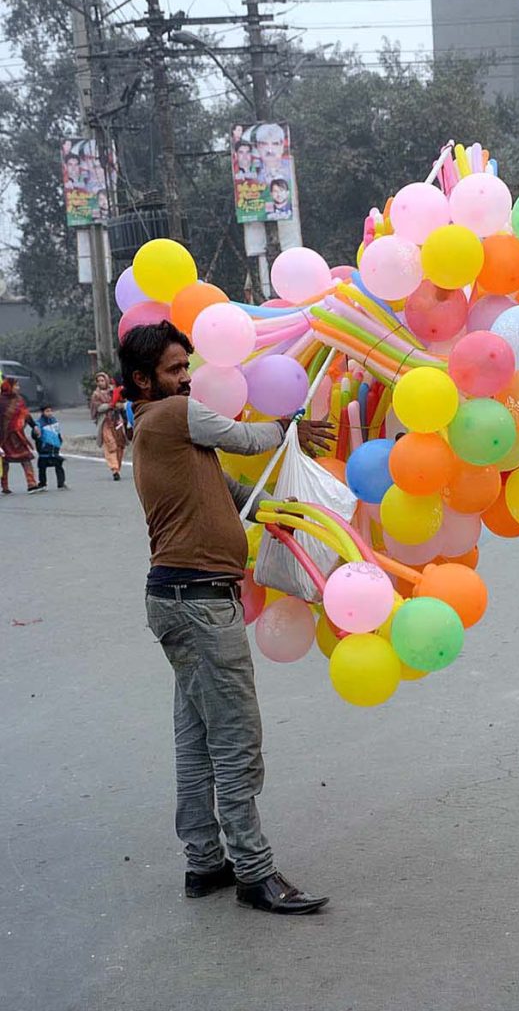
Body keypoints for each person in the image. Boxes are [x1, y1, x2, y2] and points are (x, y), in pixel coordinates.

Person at [119, 321, 335, 915]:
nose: (186, 378)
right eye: (173, 369)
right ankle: (254, 872)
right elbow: (244, 439)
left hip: (182, 600)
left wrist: (280, 510)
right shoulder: (168, 417)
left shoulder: (167, 431)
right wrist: (289, 428)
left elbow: (232, 484)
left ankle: (204, 862)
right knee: (236, 740)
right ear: (143, 380)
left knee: (196, 740)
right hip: (199, 603)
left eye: (186, 367)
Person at [0, 377, 42, 494]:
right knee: (5, 462)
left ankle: (31, 484)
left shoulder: (20, 400)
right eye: (16, 386)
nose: (18, 388)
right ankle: (5, 486)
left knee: (26, 458)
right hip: (4, 437)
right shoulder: (1, 402)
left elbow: (26, 415)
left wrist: (34, 426)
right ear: (8, 387)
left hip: (18, 436)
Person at [90, 371, 127, 480]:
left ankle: (118, 467)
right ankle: (114, 469)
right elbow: (98, 408)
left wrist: (118, 405)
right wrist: (110, 405)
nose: (101, 383)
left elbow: (122, 403)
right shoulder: (96, 395)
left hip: (117, 420)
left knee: (120, 444)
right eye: (99, 381)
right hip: (105, 422)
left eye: (102, 380)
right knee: (111, 445)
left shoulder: (114, 390)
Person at [36, 405, 66, 489]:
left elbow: (58, 432)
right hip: (44, 450)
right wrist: (36, 434)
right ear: (42, 412)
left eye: (50, 411)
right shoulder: (39, 423)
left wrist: (59, 441)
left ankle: (61, 483)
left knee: (59, 466)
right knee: (42, 468)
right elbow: (36, 435)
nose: (49, 413)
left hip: (54, 448)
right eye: (47, 411)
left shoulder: (54, 421)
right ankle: (42, 484)